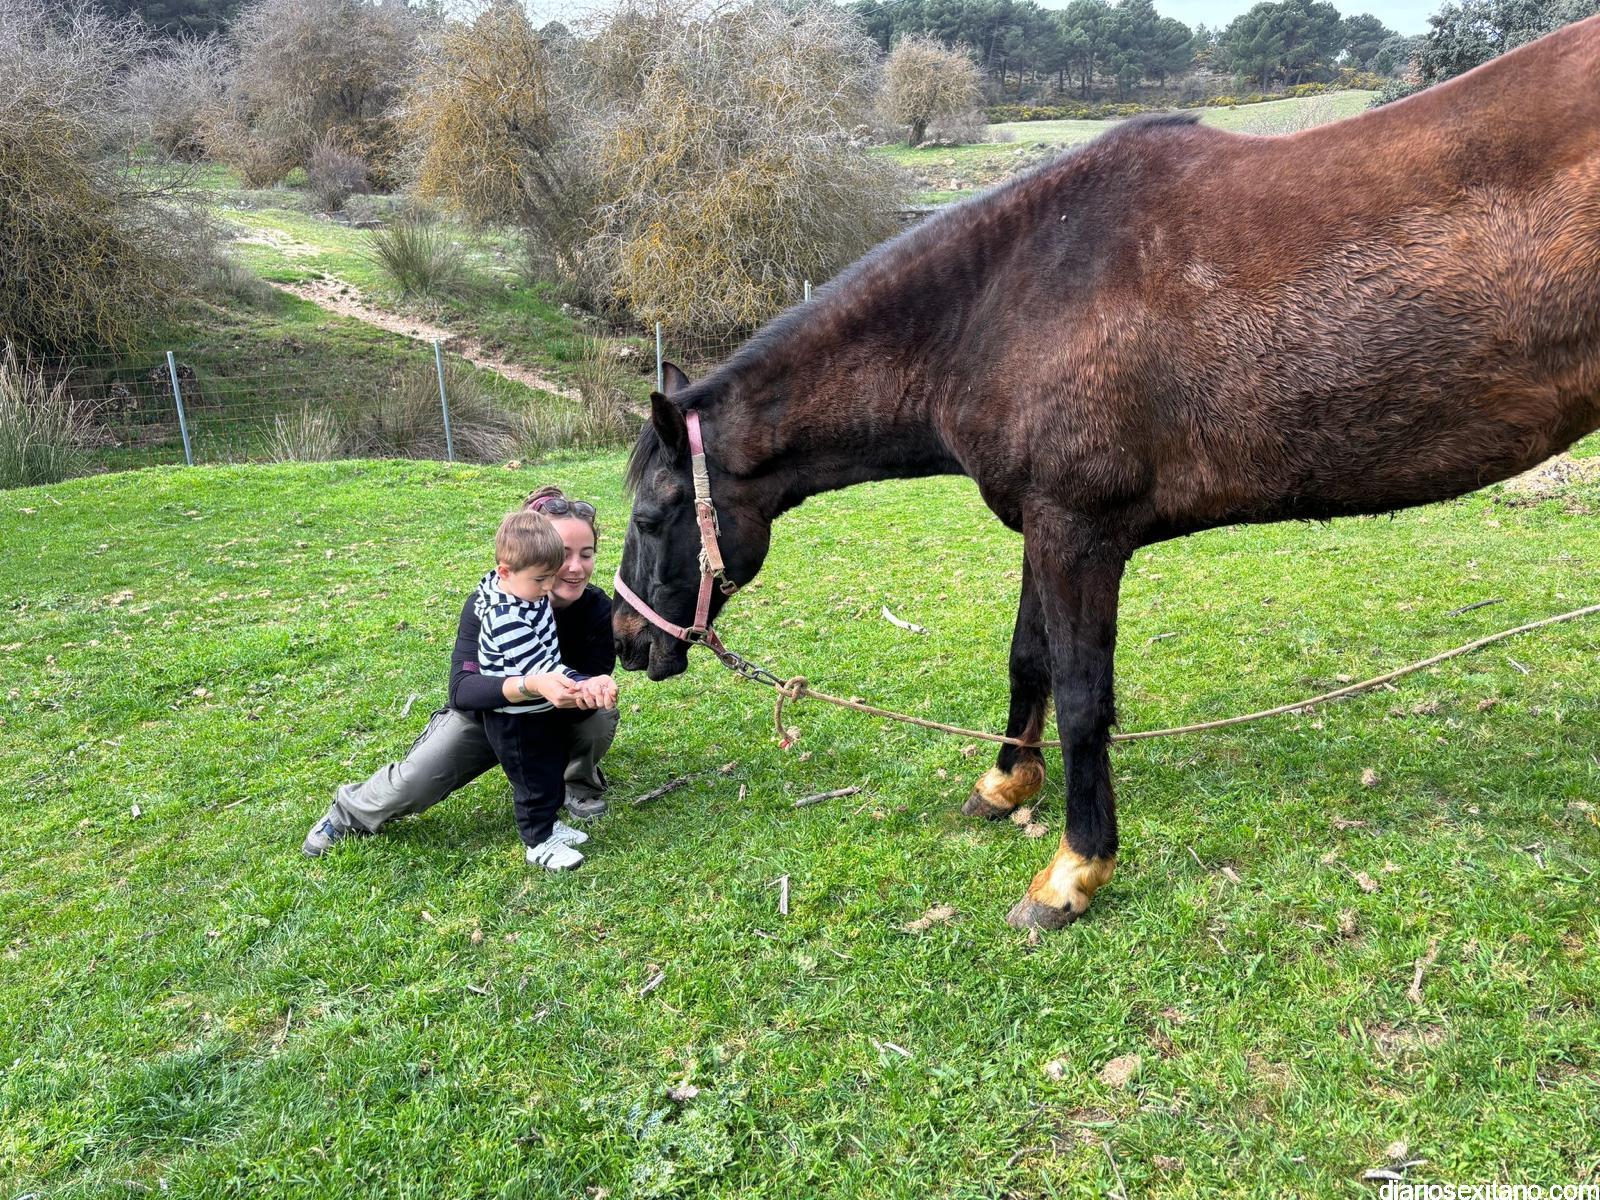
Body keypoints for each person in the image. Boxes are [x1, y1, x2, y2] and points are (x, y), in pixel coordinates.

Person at [302, 487, 620, 857]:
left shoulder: (599, 609)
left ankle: (574, 782)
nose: (575, 568)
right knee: (415, 783)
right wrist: (530, 686)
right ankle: (347, 812)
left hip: (549, 715)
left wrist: (590, 687)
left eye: (586, 554)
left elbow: (589, 679)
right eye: (562, 555)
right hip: (485, 715)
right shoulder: (489, 605)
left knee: (600, 716)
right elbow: (463, 690)